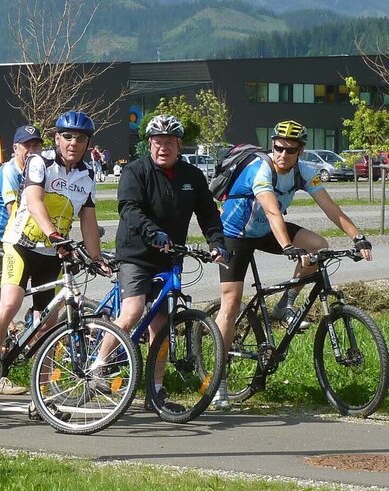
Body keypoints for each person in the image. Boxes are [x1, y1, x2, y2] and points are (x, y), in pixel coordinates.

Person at [214, 120, 373, 405]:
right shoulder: (260, 169)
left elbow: (330, 208)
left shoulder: (304, 171)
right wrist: (288, 246)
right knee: (231, 302)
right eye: (278, 148)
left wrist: (358, 237)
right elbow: (273, 210)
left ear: (301, 151)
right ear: (272, 145)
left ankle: (285, 303)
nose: (283, 155)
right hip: (234, 234)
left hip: (264, 231)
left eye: (290, 150)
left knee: (318, 247)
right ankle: (218, 382)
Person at [0, 110, 105, 402]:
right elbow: (34, 202)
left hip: (54, 254)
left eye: (80, 139)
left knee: (50, 321)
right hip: (22, 246)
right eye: (67, 136)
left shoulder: (87, 173)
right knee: (11, 303)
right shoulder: (40, 162)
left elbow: (88, 220)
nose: (73, 143)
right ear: (56, 138)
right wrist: (55, 235)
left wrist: (96, 257)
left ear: (87, 143)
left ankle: (40, 395)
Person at [102, 114, 227, 407]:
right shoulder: (136, 171)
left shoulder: (192, 176)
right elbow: (129, 208)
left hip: (169, 257)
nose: (162, 148)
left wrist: (217, 243)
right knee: (132, 310)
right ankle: (97, 368)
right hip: (136, 253)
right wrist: (152, 232)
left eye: (168, 142)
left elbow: (208, 213)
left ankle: (155, 391)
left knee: (161, 325)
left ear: (179, 145)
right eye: (157, 142)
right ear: (149, 144)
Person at [0, 124, 44, 396]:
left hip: (21, 241)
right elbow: (15, 211)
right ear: (15, 148)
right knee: (6, 305)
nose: (32, 150)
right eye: (26, 145)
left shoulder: (36, 171)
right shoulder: (8, 172)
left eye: (36, 145)